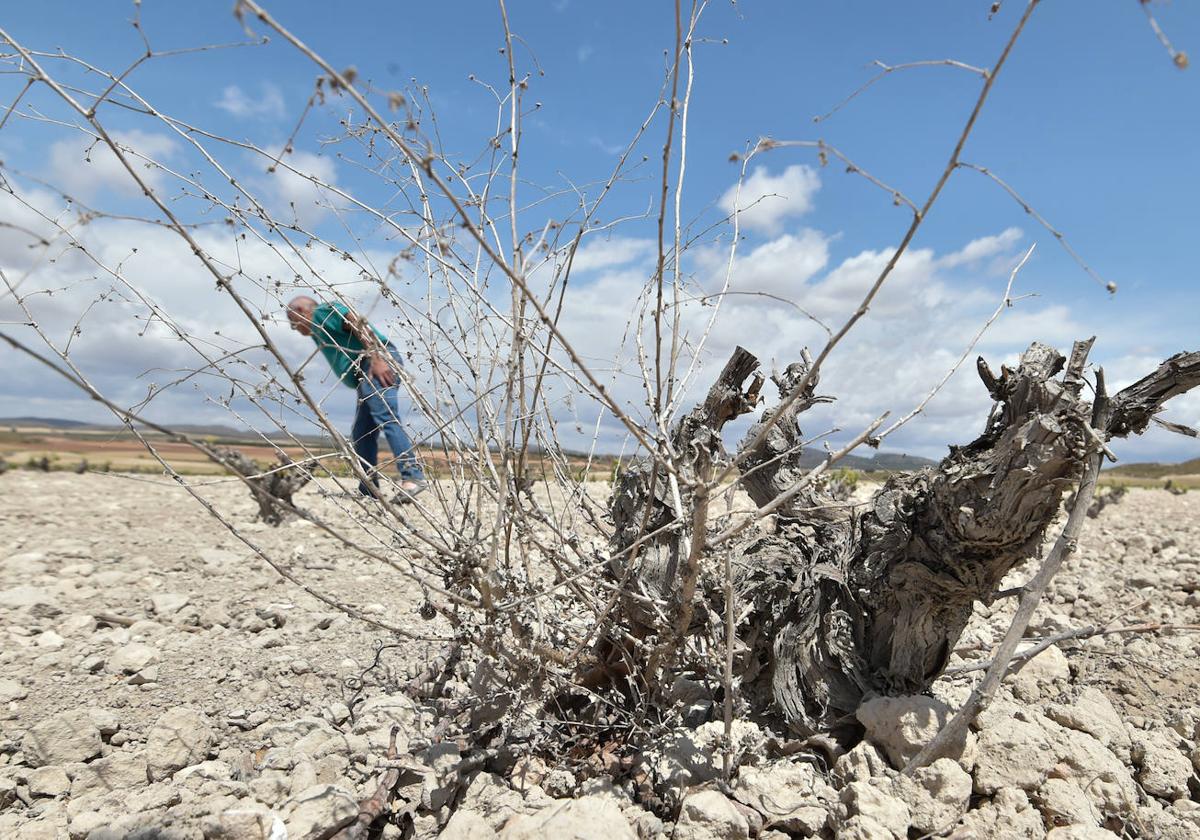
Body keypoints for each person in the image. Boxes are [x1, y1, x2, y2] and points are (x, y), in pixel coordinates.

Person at [286, 295, 426, 501]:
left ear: (302, 311)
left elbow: (354, 320)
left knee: (386, 417)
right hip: (364, 374)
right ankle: (368, 489)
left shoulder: (322, 313)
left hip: (374, 363)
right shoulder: (317, 329)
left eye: (292, 322)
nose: (294, 329)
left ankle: (413, 477)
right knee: (362, 433)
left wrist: (376, 357)